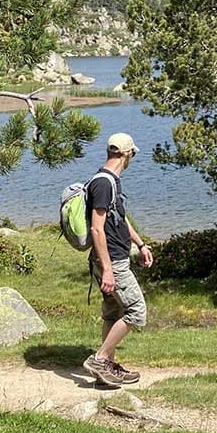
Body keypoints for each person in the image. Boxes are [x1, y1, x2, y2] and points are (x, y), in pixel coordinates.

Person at [82, 132, 153, 387]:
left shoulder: (112, 181)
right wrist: (109, 270)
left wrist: (140, 243)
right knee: (136, 311)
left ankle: (106, 371)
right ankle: (100, 359)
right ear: (126, 154)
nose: (132, 157)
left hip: (113, 259)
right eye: (132, 153)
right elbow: (97, 229)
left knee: (113, 314)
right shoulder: (103, 183)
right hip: (111, 262)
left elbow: (120, 219)